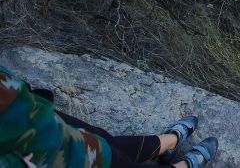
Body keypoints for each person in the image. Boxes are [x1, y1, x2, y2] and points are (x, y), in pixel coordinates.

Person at [0, 65, 218, 168]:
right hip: (35, 153)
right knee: (108, 156)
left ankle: (165, 143)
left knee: (102, 138)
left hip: (24, 111)